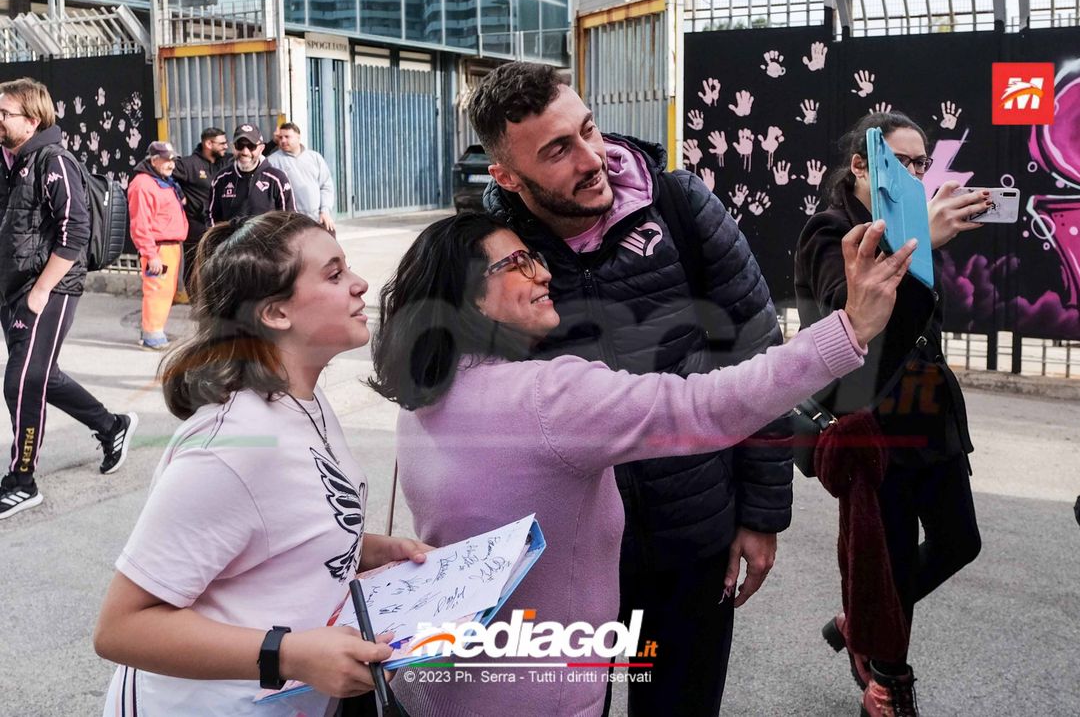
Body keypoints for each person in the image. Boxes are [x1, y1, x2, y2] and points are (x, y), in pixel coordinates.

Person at [369, 212, 915, 717]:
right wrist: (850, 328)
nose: (542, 273)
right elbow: (706, 406)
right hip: (543, 693)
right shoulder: (547, 395)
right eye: (517, 263)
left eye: (535, 258)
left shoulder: (424, 400)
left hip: (447, 683)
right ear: (468, 296)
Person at [470, 61, 791, 715]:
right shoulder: (486, 249)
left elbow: (760, 357)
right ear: (505, 175)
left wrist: (760, 514)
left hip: (692, 537)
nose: (593, 159)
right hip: (560, 553)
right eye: (559, 150)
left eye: (588, 129)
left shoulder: (679, 204)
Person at [94, 211, 432, 716]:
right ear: (275, 313)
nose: (361, 284)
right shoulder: (232, 446)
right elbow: (121, 628)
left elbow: (277, 525)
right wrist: (289, 654)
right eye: (335, 274)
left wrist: (362, 548)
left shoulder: (303, 400)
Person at [794, 111, 988, 717]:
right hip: (874, 418)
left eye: (921, 162)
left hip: (932, 415)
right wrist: (917, 242)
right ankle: (886, 681)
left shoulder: (909, 223)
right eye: (902, 160)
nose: (914, 172)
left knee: (960, 541)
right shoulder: (831, 231)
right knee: (892, 555)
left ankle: (860, 623)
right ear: (861, 165)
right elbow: (848, 324)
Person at [0, 77, 137, 520]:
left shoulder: (53, 160)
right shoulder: (10, 161)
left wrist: (40, 292)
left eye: (5, 114)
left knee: (20, 381)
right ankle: (111, 425)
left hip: (49, 288)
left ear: (32, 119)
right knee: (42, 376)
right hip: (13, 288)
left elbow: (74, 231)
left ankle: (22, 481)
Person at [127, 140, 188, 350]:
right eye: (167, 160)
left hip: (170, 246)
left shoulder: (162, 181)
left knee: (166, 291)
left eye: (173, 160)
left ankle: (155, 329)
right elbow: (140, 223)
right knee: (157, 290)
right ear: (154, 160)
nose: (172, 164)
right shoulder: (143, 184)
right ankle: (152, 334)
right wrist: (150, 253)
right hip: (159, 248)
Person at [172, 126, 229, 295]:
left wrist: (270, 144)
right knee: (193, 268)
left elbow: (248, 155)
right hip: (196, 227)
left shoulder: (226, 162)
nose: (226, 146)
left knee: (220, 266)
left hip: (219, 226)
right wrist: (180, 193)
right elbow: (163, 174)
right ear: (209, 143)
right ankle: (196, 304)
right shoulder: (188, 165)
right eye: (222, 143)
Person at [207, 124, 294, 225]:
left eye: (251, 146)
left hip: (267, 240)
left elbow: (289, 218)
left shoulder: (277, 179)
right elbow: (211, 216)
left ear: (261, 148)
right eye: (239, 145)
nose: (245, 152)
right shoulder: (221, 179)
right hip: (231, 240)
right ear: (233, 147)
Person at [266, 122, 336, 233]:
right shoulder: (272, 161)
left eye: (287, 137)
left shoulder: (315, 158)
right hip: (290, 224)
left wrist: (325, 211)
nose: (283, 140)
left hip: (317, 220)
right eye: (280, 137)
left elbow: (326, 187)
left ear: (298, 137)